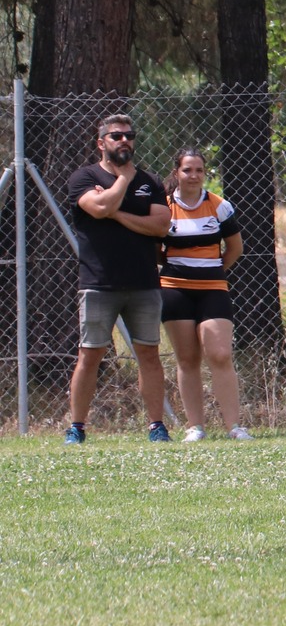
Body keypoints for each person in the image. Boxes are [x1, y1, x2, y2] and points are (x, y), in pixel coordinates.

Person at [64, 113, 170, 444]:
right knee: (90, 355)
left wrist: (116, 211)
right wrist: (123, 181)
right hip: (98, 282)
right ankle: (77, 428)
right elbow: (96, 209)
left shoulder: (150, 182)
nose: (124, 140)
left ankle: (156, 426)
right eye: (116, 136)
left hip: (143, 283)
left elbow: (161, 226)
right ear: (101, 143)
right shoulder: (83, 177)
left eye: (129, 135)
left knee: (149, 355)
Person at [158, 148, 248, 442]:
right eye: (187, 170)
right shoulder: (163, 207)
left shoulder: (220, 206)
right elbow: (154, 249)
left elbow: (235, 248)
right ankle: (195, 427)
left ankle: (234, 426)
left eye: (199, 170)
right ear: (176, 173)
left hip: (213, 288)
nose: (193, 176)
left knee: (220, 354)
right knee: (187, 358)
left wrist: (213, 270)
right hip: (173, 289)